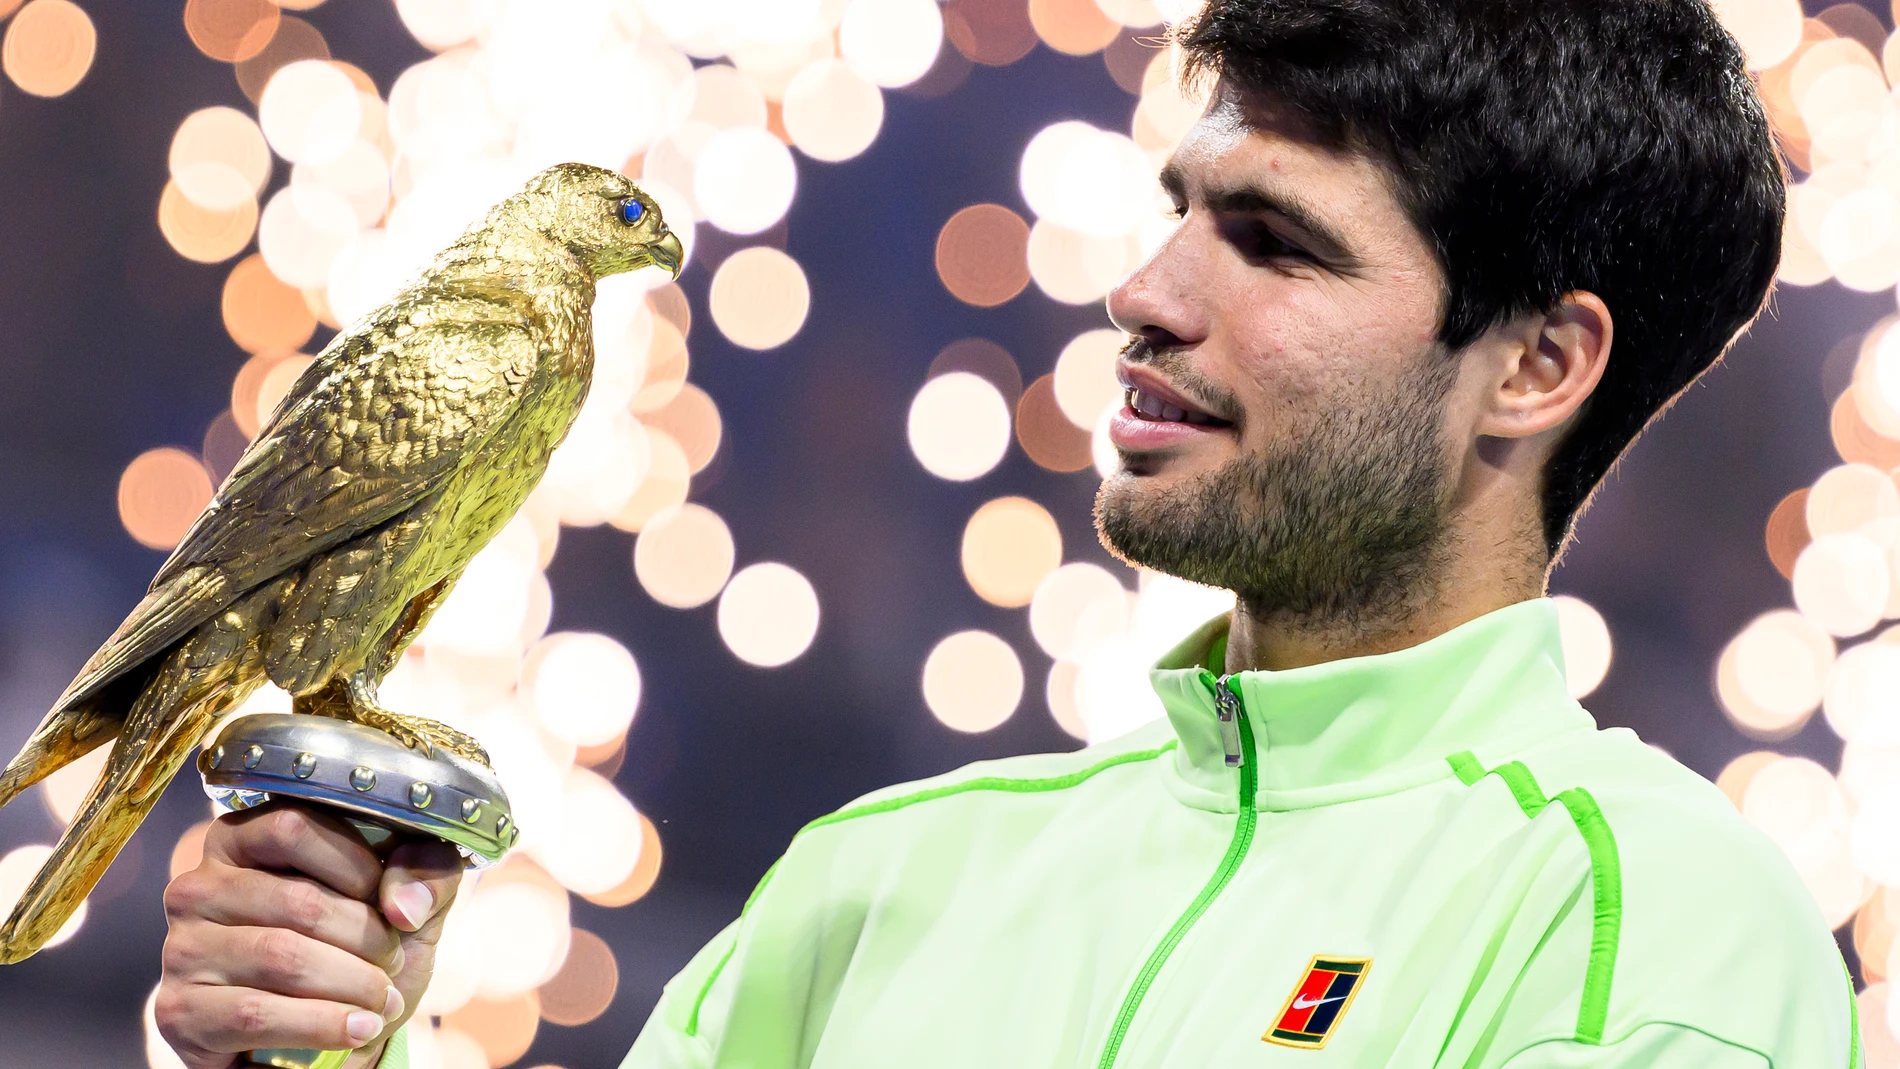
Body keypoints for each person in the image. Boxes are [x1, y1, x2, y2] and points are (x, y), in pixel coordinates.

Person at [152, 0, 1859, 1065]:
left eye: (1274, 244)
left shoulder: (1651, 934)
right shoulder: (884, 879)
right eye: (1176, 209)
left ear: (1539, 363)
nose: (1145, 294)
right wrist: (312, 1041)